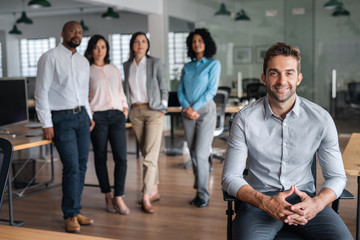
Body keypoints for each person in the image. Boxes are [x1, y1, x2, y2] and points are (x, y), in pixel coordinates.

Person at [222, 42, 353, 240]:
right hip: (260, 205)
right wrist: (265, 202)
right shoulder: (245, 119)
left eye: (289, 73)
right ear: (264, 78)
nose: (282, 80)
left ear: (298, 78)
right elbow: (230, 177)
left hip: (306, 203)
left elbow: (337, 176)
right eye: (274, 73)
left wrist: (317, 203)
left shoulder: (321, 119)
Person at [35, 21, 95, 233]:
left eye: (79, 32)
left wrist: (90, 116)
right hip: (61, 120)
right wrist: (46, 123)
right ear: (63, 33)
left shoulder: (83, 62)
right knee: (71, 167)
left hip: (81, 118)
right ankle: (69, 214)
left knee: (81, 167)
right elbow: (41, 92)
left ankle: (76, 209)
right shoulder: (49, 58)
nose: (77, 35)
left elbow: (84, 91)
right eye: (72, 31)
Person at [123, 32, 168, 214]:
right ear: (132, 46)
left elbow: (163, 86)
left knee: (149, 157)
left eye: (143, 41)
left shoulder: (155, 63)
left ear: (147, 45)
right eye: (136, 41)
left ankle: (145, 195)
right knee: (146, 153)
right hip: (135, 112)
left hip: (153, 111)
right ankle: (154, 190)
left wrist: (162, 108)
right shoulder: (127, 66)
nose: (140, 44)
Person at [84, 35, 130, 215]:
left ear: (107, 49)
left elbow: (120, 90)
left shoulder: (114, 69)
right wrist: (91, 115)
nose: (100, 50)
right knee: (100, 156)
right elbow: (84, 96)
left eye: (103, 47)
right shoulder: (87, 71)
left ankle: (119, 195)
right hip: (99, 117)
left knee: (121, 157)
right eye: (96, 47)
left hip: (117, 115)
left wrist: (125, 109)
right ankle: (107, 194)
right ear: (90, 50)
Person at [177, 28, 221, 208]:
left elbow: (211, 90)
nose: (197, 44)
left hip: (205, 111)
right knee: (193, 153)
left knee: (202, 153)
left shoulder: (213, 64)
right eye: (194, 41)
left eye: (200, 41)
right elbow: (180, 89)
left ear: (206, 43)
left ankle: (203, 194)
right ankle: (199, 187)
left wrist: (193, 108)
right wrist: (187, 107)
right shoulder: (187, 67)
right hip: (188, 111)